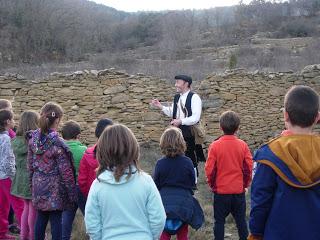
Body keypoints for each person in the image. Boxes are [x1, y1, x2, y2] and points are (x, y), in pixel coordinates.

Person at [248, 85, 320, 240]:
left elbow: (260, 203)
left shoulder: (269, 154)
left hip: (278, 233)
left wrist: (256, 233)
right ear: (317, 117)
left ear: (285, 116)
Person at [84, 124, 166, 240]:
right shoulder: (145, 181)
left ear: (102, 151)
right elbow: (158, 219)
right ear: (133, 148)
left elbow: (92, 224)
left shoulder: (98, 185)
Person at [28, 102, 77, 240]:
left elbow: (30, 166)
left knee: (41, 218)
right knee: (56, 220)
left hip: (38, 185)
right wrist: (72, 194)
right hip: (55, 190)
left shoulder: (33, 139)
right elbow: (66, 172)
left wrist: (32, 186)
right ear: (58, 120)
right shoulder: (58, 143)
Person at [205, 111, 253, 240]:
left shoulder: (214, 146)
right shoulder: (243, 145)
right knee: (241, 222)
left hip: (221, 192)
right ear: (237, 128)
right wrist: (245, 185)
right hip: (238, 191)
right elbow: (249, 167)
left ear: (220, 127)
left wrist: (212, 184)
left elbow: (210, 169)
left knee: (219, 222)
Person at [153, 127, 204, 240]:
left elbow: (155, 185)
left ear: (163, 143)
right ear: (182, 143)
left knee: (164, 233)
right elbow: (192, 183)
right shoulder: (187, 162)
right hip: (183, 203)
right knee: (182, 234)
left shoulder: (160, 164)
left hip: (164, 203)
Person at [151, 75, 204, 179]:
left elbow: (195, 117)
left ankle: (193, 182)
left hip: (189, 133)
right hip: (176, 134)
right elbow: (174, 112)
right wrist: (160, 106)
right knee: (175, 157)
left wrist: (181, 121)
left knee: (191, 159)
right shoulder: (177, 97)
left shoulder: (194, 97)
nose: (176, 85)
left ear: (186, 84)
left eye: (178, 82)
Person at [10, 111, 39, 240]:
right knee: (33, 210)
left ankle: (23, 236)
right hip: (32, 178)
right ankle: (33, 236)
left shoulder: (15, 141)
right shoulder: (34, 141)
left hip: (20, 177)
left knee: (26, 209)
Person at [61, 120, 87, 240]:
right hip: (81, 187)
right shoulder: (84, 150)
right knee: (88, 214)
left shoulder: (59, 149)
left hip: (65, 187)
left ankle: (64, 237)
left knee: (67, 215)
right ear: (78, 136)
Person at [78, 118, 113, 198]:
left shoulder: (87, 154)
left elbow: (82, 181)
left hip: (92, 196)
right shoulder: (117, 154)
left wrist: (89, 196)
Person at [0, 99, 20, 235]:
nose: (14, 121)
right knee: (11, 206)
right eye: (12, 119)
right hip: (6, 176)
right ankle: (2, 233)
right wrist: (13, 176)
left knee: (2, 205)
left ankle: (2, 232)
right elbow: (8, 161)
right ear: (7, 122)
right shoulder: (6, 138)